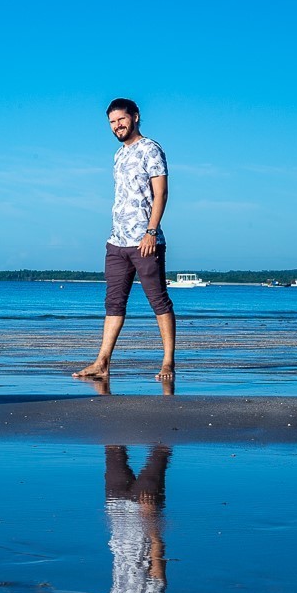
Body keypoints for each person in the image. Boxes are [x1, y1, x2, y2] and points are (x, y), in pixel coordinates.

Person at [74, 98, 176, 383]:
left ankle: (168, 361)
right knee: (114, 303)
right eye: (112, 122)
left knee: (158, 301)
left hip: (145, 241)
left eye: (121, 120)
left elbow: (161, 194)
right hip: (117, 241)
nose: (117, 126)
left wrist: (151, 231)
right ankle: (102, 362)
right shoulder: (118, 155)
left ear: (135, 117)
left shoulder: (151, 149)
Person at [97, 444, 171, 593]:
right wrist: (150, 517)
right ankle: (166, 415)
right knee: (160, 452)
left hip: (116, 508)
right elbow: (158, 556)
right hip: (143, 514)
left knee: (113, 449)